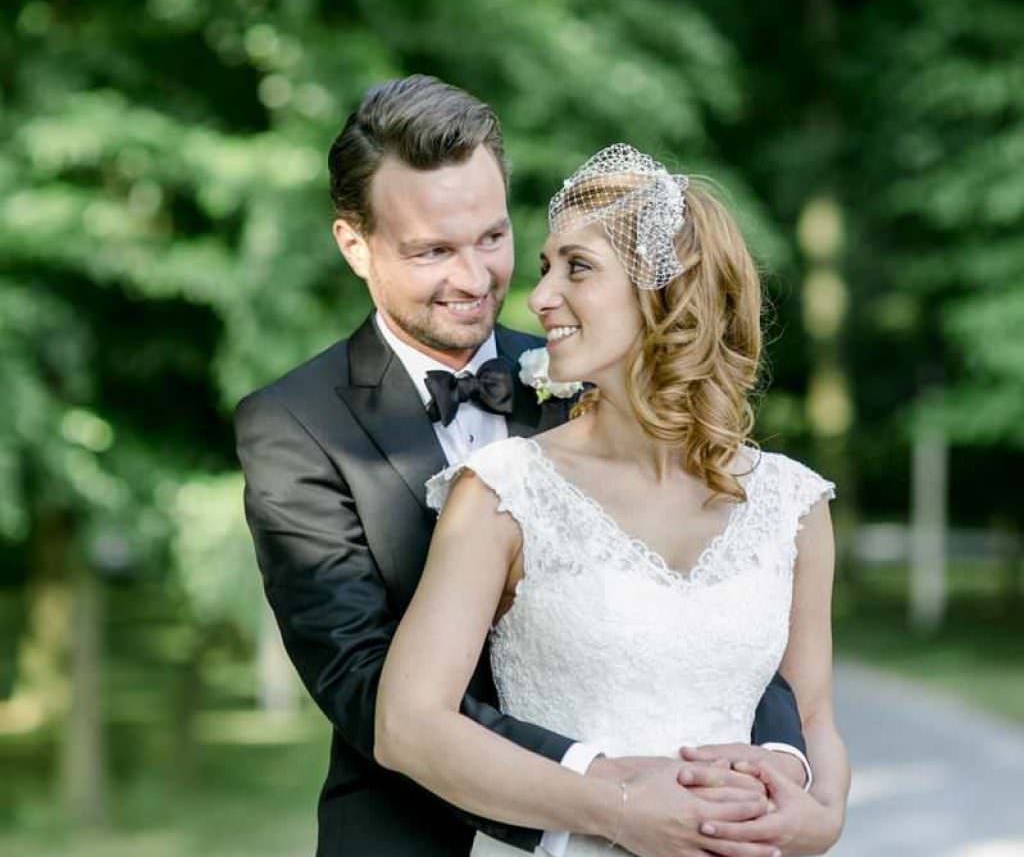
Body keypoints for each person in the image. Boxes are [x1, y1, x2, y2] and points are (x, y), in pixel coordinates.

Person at [235, 76, 824, 857]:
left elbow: (729, 606)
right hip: (419, 834)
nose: (477, 280)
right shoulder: (295, 424)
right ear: (355, 245)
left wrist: (782, 771)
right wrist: (608, 792)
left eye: (490, 238)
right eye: (434, 251)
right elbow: (363, 684)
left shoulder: (595, 365)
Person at [374, 143, 850, 856]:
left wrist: (823, 817)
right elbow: (408, 726)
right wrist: (617, 809)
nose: (537, 299)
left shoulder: (794, 505)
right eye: (544, 268)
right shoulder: (505, 491)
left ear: (666, 291)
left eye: (579, 267)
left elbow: (811, 712)